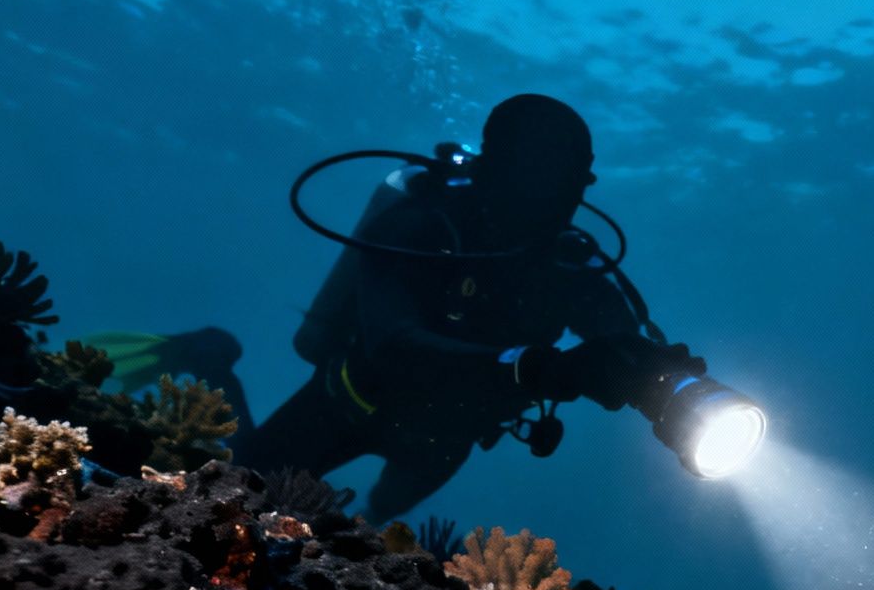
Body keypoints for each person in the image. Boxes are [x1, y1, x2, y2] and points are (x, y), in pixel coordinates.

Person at [239, 93, 705, 518]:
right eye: (547, 178)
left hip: (444, 442)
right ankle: (217, 363)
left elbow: (617, 341)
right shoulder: (418, 226)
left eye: (575, 181)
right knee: (235, 492)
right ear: (502, 168)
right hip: (346, 406)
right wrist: (531, 369)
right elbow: (393, 345)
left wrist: (659, 381)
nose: (565, 199)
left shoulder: (568, 264)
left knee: (371, 524)